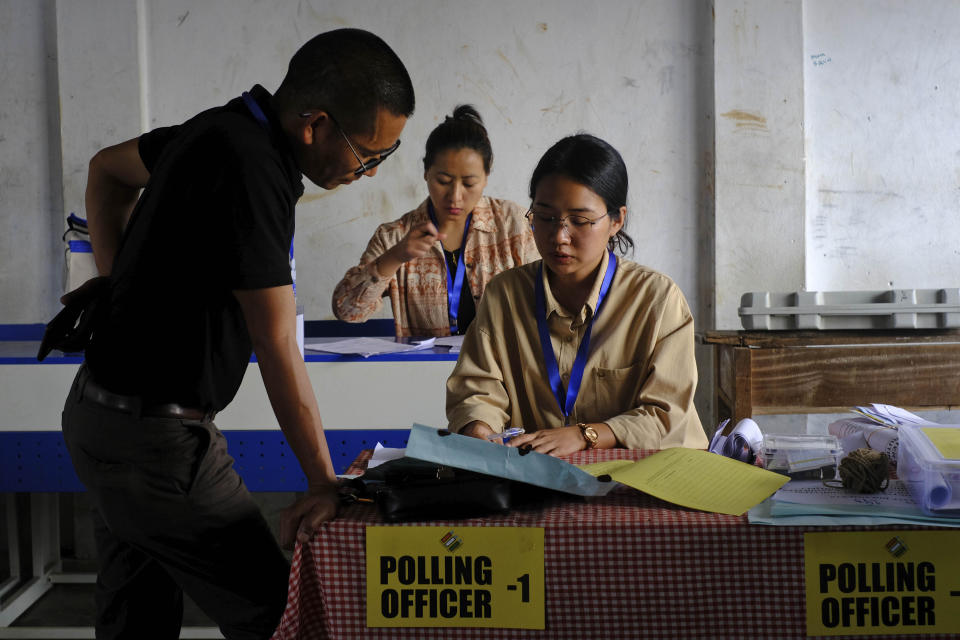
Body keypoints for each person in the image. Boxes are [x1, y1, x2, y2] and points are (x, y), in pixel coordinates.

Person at [60, 29, 414, 639]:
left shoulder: (218, 128)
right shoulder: (255, 171)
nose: (369, 171)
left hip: (100, 418)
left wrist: (119, 288)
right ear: (316, 126)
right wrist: (322, 482)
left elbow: (105, 171)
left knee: (135, 620)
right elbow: (276, 344)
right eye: (368, 155)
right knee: (282, 619)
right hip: (158, 444)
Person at [446, 134, 707, 455]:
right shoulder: (505, 295)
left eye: (580, 220)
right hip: (536, 481)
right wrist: (479, 428)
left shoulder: (657, 300)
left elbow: (669, 415)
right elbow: (477, 390)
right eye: (544, 217)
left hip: (633, 481)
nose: (559, 236)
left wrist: (588, 435)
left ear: (616, 221)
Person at [332, 105, 537, 337]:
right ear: (426, 172)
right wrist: (395, 257)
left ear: (486, 177)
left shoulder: (513, 224)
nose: (455, 196)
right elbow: (347, 312)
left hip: (503, 368)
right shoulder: (395, 236)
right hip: (427, 371)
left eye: (469, 183)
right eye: (443, 180)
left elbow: (549, 298)